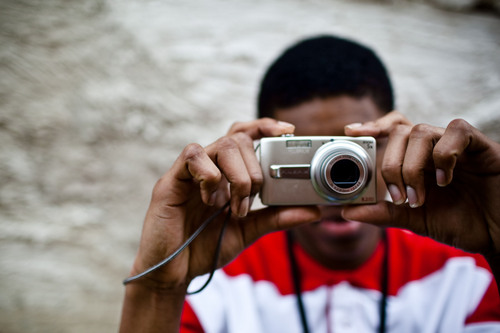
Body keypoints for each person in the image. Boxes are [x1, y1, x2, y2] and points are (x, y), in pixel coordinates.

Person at [119, 35, 500, 332]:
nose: (332, 179)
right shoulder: (218, 287)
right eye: (305, 156)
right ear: (261, 159)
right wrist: (161, 286)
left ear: (394, 145)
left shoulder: (466, 276)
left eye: (350, 158)